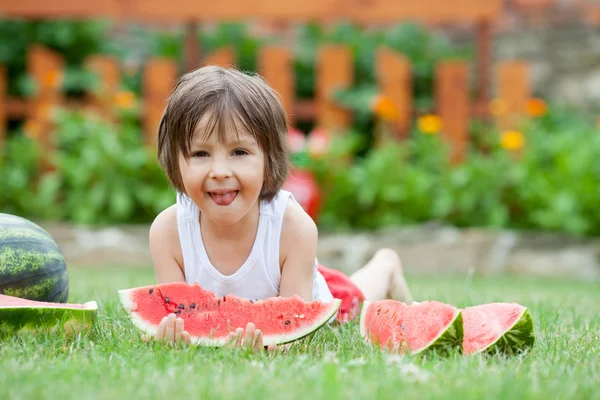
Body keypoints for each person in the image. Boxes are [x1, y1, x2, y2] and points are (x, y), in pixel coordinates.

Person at [147, 66, 413, 351]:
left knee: (352, 299)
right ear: (175, 162)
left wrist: (277, 344)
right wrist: (172, 333)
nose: (220, 171)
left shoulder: (293, 227)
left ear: (268, 159)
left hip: (306, 288)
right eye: (200, 153)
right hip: (281, 272)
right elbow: (179, 318)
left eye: (239, 152)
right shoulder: (168, 231)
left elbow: (293, 330)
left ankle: (385, 266)